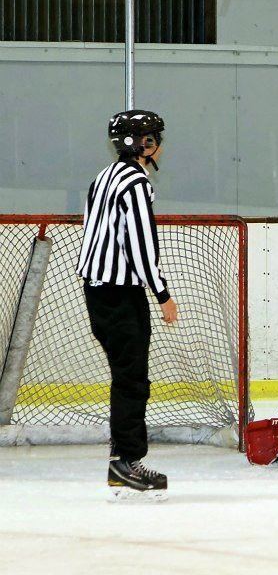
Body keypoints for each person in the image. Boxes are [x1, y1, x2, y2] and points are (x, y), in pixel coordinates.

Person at [76, 109, 177, 501]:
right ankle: (125, 463)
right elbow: (140, 245)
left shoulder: (103, 176)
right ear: (143, 144)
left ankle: (124, 459)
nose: (160, 146)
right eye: (155, 139)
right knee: (132, 379)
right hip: (120, 294)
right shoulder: (135, 182)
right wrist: (162, 293)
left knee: (127, 376)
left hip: (98, 290)